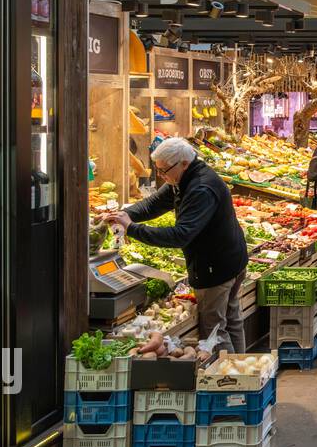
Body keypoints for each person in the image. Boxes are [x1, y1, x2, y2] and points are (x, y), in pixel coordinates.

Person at [104, 137, 248, 354]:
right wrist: (124, 215)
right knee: (230, 319)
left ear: (183, 163)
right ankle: (244, 373)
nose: (161, 176)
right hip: (230, 259)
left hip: (215, 267)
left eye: (164, 171)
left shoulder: (200, 188)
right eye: (158, 170)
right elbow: (154, 203)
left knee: (215, 331)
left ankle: (229, 381)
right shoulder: (182, 179)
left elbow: (180, 235)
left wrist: (132, 228)